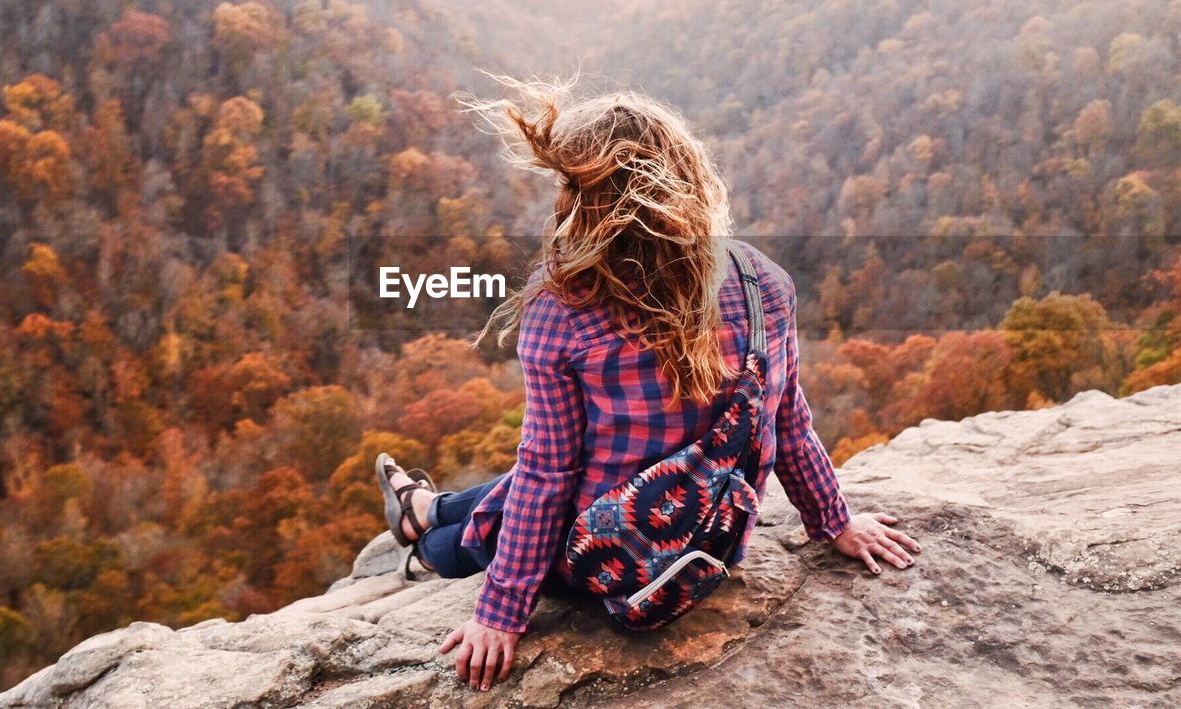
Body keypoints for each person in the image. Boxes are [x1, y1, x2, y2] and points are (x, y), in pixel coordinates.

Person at [375, 75, 921, 693]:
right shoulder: (760, 281)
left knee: (492, 525)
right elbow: (786, 416)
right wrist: (834, 521)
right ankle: (424, 507)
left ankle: (426, 540)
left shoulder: (564, 309)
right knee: (539, 482)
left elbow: (548, 475)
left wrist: (499, 612)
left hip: (608, 557)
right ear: (689, 178)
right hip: (710, 538)